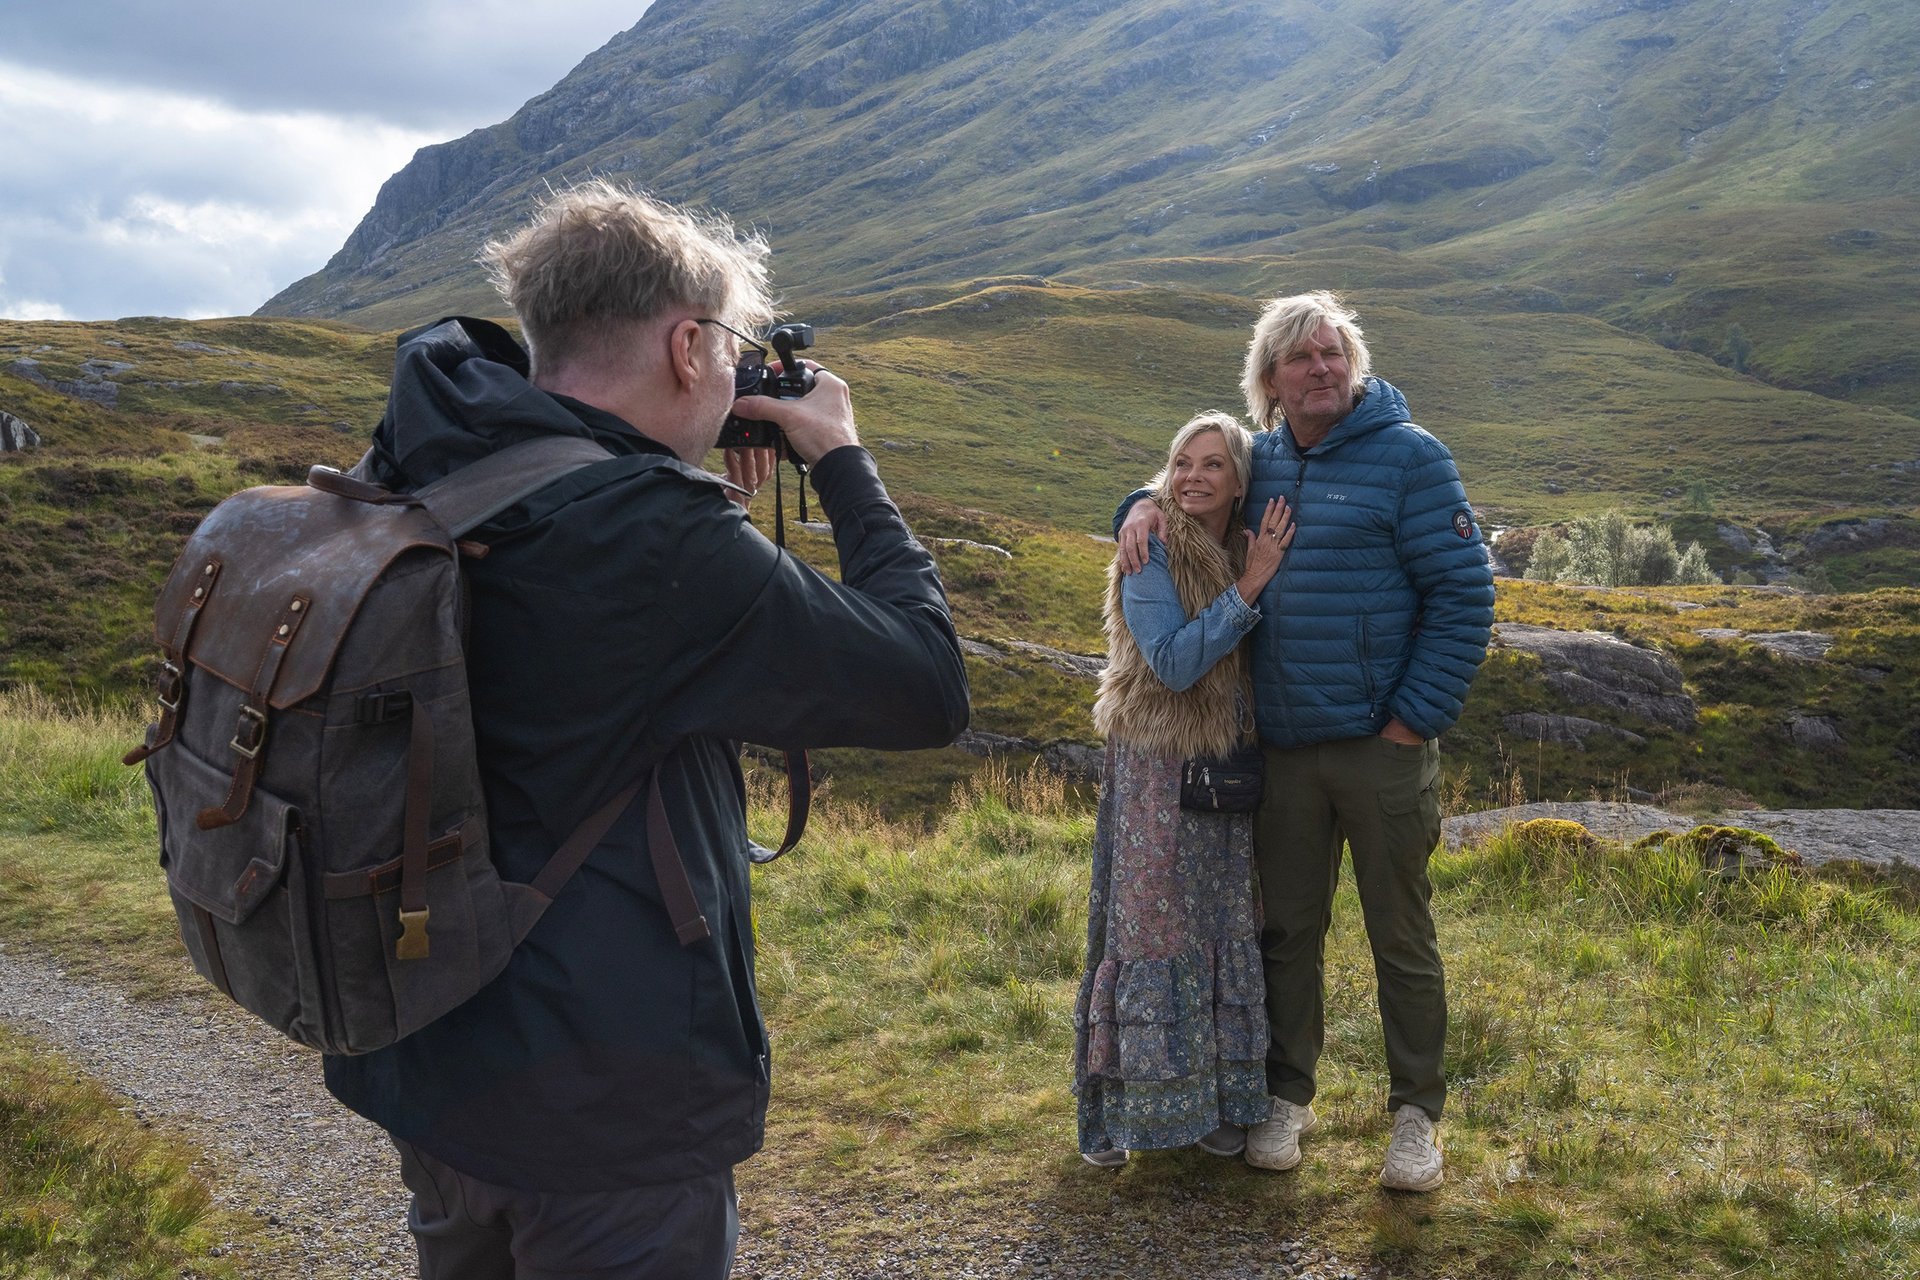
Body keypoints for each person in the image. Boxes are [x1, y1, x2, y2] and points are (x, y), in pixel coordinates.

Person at [321, 180, 970, 1277]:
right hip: (603, 1099)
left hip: (425, 1052)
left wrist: (671, 469)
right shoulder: (657, 536)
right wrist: (841, 456)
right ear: (687, 345)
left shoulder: (427, 453)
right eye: (730, 348)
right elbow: (927, 682)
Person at [1115, 291, 1494, 1191]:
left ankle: (1416, 1118)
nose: (1321, 368)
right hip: (1282, 754)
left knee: (1401, 935)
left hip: (1381, 747)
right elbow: (1193, 479)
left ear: (1352, 364)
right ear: (1271, 380)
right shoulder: (1265, 460)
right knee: (1285, 934)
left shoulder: (1411, 457)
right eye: (1300, 357)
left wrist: (1411, 722)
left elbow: (1465, 594)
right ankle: (1286, 1097)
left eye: (1333, 353)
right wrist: (1136, 506)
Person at [1074, 410, 1294, 1168]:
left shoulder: (1241, 539)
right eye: (1181, 464)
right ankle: (1122, 1110)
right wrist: (1251, 585)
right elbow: (1171, 664)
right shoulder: (1152, 543)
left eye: (1212, 465)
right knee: (1147, 932)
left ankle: (1209, 1105)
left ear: (1240, 481)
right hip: (1157, 771)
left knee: (1218, 922)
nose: (1193, 477)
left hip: (1225, 767)